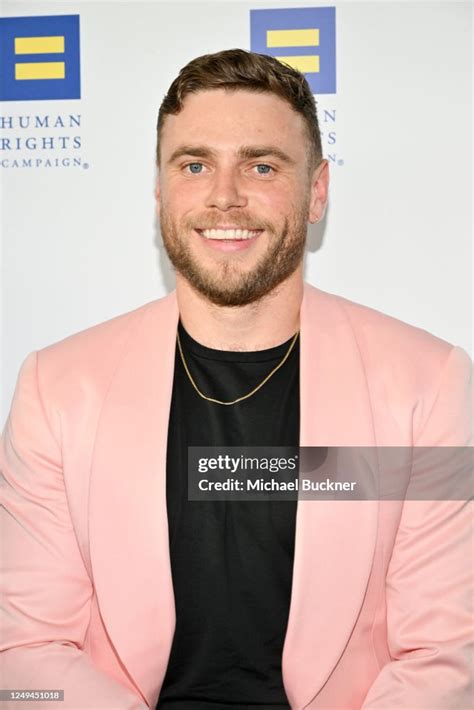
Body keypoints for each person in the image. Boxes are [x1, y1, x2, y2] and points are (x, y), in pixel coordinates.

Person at [0, 49, 471, 710]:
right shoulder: (59, 389)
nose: (225, 196)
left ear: (317, 192)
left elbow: (441, 657)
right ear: (161, 191)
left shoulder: (426, 385)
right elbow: (29, 651)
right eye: (194, 164)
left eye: (261, 165)